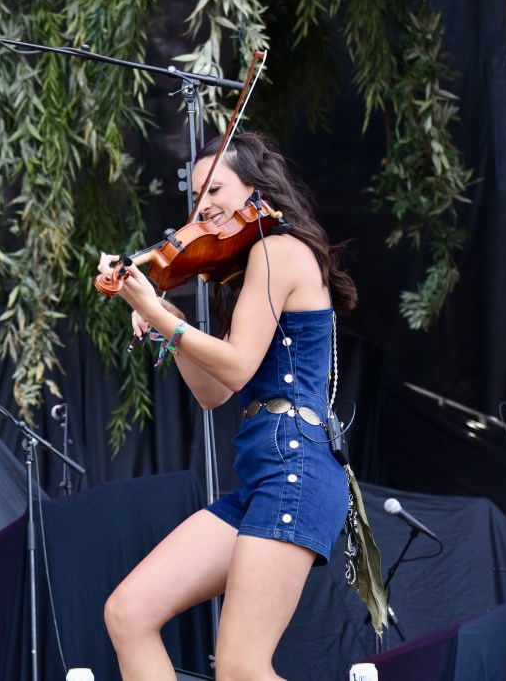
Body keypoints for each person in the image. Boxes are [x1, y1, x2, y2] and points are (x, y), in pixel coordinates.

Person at [98, 132, 360, 681]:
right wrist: (168, 326)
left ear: (256, 188)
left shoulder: (278, 250)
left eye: (215, 188)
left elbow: (237, 366)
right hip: (267, 476)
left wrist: (156, 308)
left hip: (296, 467)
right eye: (195, 198)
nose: (204, 208)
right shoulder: (244, 271)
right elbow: (212, 391)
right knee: (129, 614)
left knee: (241, 666)